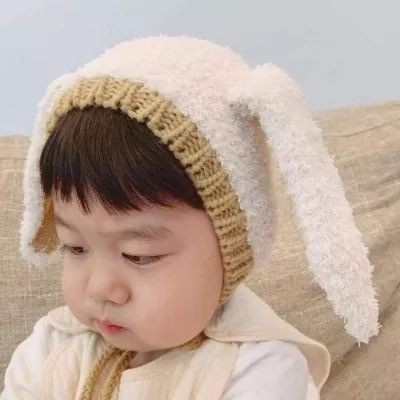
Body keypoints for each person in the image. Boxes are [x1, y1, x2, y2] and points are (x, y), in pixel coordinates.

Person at [1, 35, 379, 399]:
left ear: (230, 251)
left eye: (139, 255)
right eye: (75, 248)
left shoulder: (261, 371)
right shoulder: (50, 348)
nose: (99, 288)